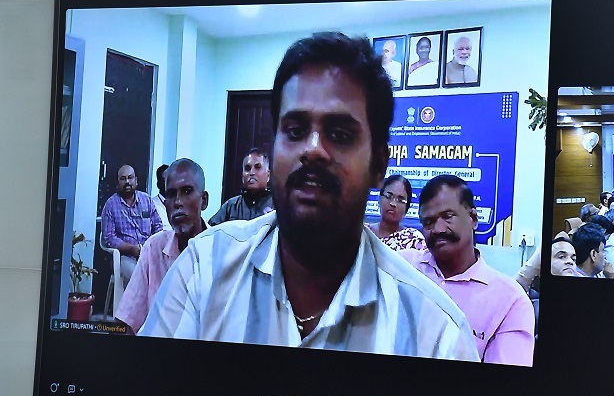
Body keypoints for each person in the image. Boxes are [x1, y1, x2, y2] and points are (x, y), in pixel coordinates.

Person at [141, 33, 478, 361]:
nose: (313, 149)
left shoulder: (435, 336)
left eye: (340, 134)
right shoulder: (204, 271)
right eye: (295, 131)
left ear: (378, 165)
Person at [399, 175, 535, 366]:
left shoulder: (510, 301)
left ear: (473, 218)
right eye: (428, 222)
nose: (438, 229)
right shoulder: (402, 268)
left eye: (448, 216)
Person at [115, 159, 208, 334]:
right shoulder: (154, 249)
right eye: (171, 194)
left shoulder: (219, 252)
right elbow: (126, 321)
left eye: (187, 191)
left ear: (203, 200)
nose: (177, 202)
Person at [101, 165, 164, 286]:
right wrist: (132, 249)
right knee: (138, 276)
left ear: (136, 180)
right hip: (124, 257)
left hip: (149, 253)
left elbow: (158, 226)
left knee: (166, 272)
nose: (127, 182)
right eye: (123, 178)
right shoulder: (110, 205)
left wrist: (151, 246)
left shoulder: (147, 200)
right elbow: (109, 238)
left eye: (130, 177)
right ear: (117, 183)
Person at [209, 148, 275, 225]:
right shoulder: (231, 206)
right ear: (243, 176)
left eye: (257, 167)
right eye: (247, 168)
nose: (252, 172)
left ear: (268, 175)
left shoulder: (277, 205)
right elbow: (210, 229)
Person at [371, 174, 426, 252]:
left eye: (400, 200)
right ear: (379, 198)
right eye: (388, 196)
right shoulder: (364, 232)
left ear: (407, 207)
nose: (393, 203)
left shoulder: (413, 239)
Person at [152, 164, 171, 231]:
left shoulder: (178, 203)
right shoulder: (151, 204)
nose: (169, 184)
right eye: (165, 180)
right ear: (158, 184)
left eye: (170, 180)